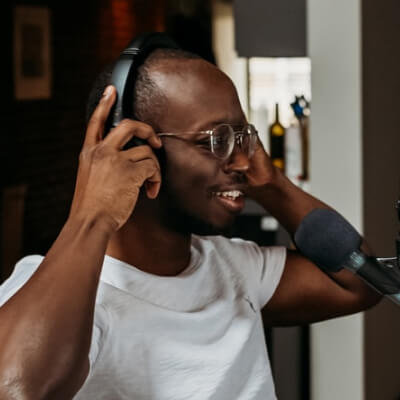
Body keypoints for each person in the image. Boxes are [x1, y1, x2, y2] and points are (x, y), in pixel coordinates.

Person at [0, 47, 381, 400]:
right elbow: (15, 389)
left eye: (241, 138)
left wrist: (273, 186)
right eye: (214, 140)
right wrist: (91, 215)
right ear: (135, 149)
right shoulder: (49, 289)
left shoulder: (235, 266)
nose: (242, 161)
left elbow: (363, 283)